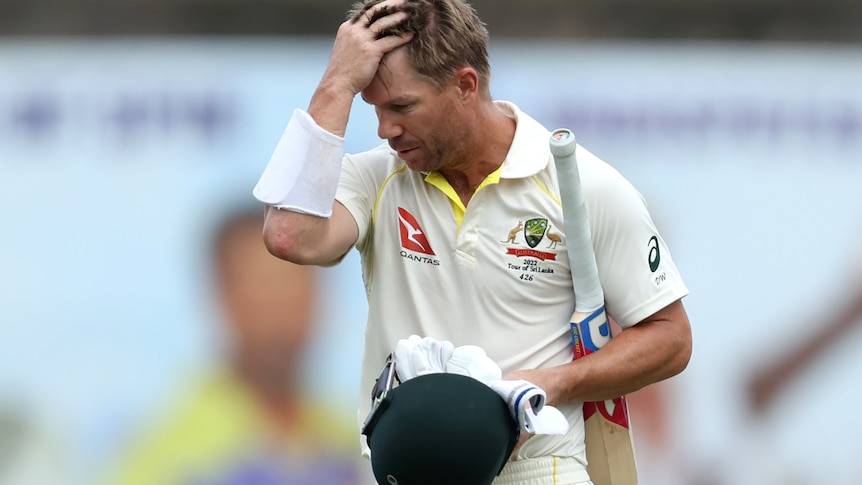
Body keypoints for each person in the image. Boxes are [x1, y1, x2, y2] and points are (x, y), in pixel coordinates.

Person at [252, 0, 693, 483]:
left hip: (537, 468)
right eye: (374, 108)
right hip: (406, 468)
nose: (385, 129)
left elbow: (670, 338)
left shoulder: (583, 186)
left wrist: (550, 384)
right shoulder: (376, 177)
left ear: (465, 85)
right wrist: (336, 83)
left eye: (401, 106)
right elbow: (288, 234)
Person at [107, 206, 371, 485]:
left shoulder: (351, 439)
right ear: (224, 298)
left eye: (298, 286)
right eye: (266, 290)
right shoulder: (173, 456)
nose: (285, 312)